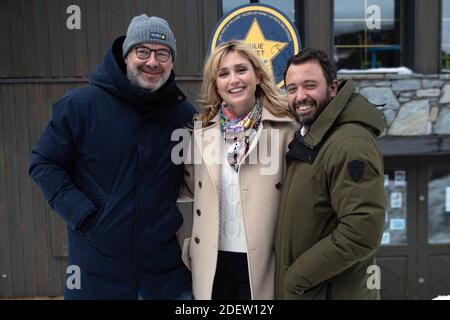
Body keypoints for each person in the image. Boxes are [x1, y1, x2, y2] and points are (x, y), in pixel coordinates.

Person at [29, 14, 196, 299]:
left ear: (172, 60)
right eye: (142, 51)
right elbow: (44, 163)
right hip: (96, 274)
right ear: (125, 55)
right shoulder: (80, 107)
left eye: (162, 53)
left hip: (163, 276)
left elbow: (200, 177)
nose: (152, 62)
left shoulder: (183, 115)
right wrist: (83, 215)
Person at [181, 40, 298, 300]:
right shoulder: (201, 131)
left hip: (264, 262)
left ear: (257, 75)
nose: (233, 79)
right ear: (216, 85)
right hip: (212, 262)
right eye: (223, 74)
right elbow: (187, 187)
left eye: (241, 70)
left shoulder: (286, 129)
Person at [274, 48, 387, 300]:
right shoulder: (313, 138)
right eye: (292, 89)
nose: (300, 96)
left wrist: (295, 280)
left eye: (310, 85)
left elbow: (362, 231)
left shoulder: (349, 142)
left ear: (333, 88)